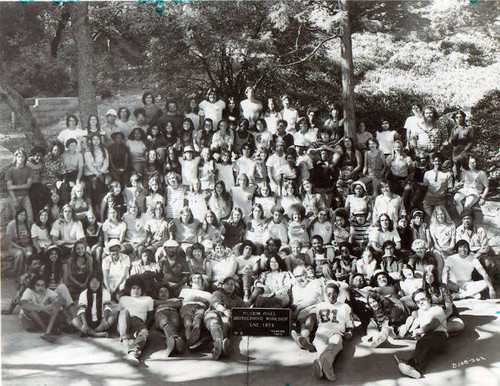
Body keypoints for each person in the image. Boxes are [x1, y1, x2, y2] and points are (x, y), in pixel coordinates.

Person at [304, 282, 354, 382]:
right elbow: (314, 320)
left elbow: (350, 324)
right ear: (325, 294)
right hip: (321, 333)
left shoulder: (345, 306)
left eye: (334, 293)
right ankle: (326, 367)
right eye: (329, 293)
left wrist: (350, 332)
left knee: (333, 347)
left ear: (338, 293)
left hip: (337, 332)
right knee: (322, 348)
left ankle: (322, 366)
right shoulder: (319, 306)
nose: (331, 296)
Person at [394, 289, 449, 379]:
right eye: (418, 301)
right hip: (428, 337)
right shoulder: (420, 311)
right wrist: (415, 331)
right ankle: (411, 364)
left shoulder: (437, 309)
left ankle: (417, 369)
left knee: (424, 343)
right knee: (422, 344)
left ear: (429, 299)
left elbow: (433, 325)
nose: (420, 303)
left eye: (423, 299)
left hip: (440, 336)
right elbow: (421, 322)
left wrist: (419, 331)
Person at [204, 276, 245, 360]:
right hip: (213, 313)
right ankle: (220, 343)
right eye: (227, 284)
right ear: (222, 285)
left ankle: (218, 347)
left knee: (226, 323)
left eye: (232, 284)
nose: (229, 286)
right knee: (214, 323)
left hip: (226, 317)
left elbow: (244, 309)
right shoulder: (217, 293)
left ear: (235, 287)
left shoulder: (238, 299)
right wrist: (224, 310)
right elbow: (216, 303)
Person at [117, 275, 154, 366]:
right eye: (133, 288)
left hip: (139, 323)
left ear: (142, 289)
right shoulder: (124, 299)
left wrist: (143, 328)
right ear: (129, 289)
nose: (136, 290)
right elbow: (119, 315)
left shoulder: (148, 299)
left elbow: (150, 317)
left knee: (145, 332)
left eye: (138, 288)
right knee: (124, 311)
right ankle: (126, 341)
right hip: (125, 320)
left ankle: (132, 353)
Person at [19, 275, 66, 343]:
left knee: (56, 307)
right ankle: (45, 329)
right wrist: (43, 308)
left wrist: (53, 304)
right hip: (28, 318)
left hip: (41, 315)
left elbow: (63, 300)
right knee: (31, 310)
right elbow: (24, 305)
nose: (40, 287)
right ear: (33, 285)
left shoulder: (47, 291)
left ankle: (48, 332)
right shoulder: (29, 291)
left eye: (43, 285)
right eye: (38, 285)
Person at [153, 283, 185, 357]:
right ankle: (175, 339)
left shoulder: (174, 299)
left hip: (173, 313)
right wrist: (169, 303)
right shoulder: (154, 300)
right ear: (157, 294)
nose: (163, 293)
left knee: (175, 323)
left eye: (166, 291)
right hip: (160, 313)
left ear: (169, 293)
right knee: (165, 321)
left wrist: (161, 304)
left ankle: (172, 341)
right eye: (161, 292)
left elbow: (178, 304)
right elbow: (154, 303)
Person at [6, 149, 34, 220]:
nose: (21, 159)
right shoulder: (10, 170)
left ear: (25, 158)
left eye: (23, 156)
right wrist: (15, 200)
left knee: (30, 217)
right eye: (19, 156)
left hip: (25, 197)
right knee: (15, 218)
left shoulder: (29, 169)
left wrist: (14, 187)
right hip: (13, 197)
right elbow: (9, 187)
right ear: (15, 158)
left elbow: (28, 185)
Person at [6, 207, 34, 277]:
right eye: (21, 215)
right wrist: (21, 248)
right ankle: (16, 273)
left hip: (26, 245)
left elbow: (36, 228)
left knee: (29, 254)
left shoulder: (29, 222)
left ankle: (26, 274)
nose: (23, 217)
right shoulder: (11, 225)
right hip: (14, 246)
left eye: (24, 215)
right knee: (19, 254)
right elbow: (9, 241)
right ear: (17, 215)